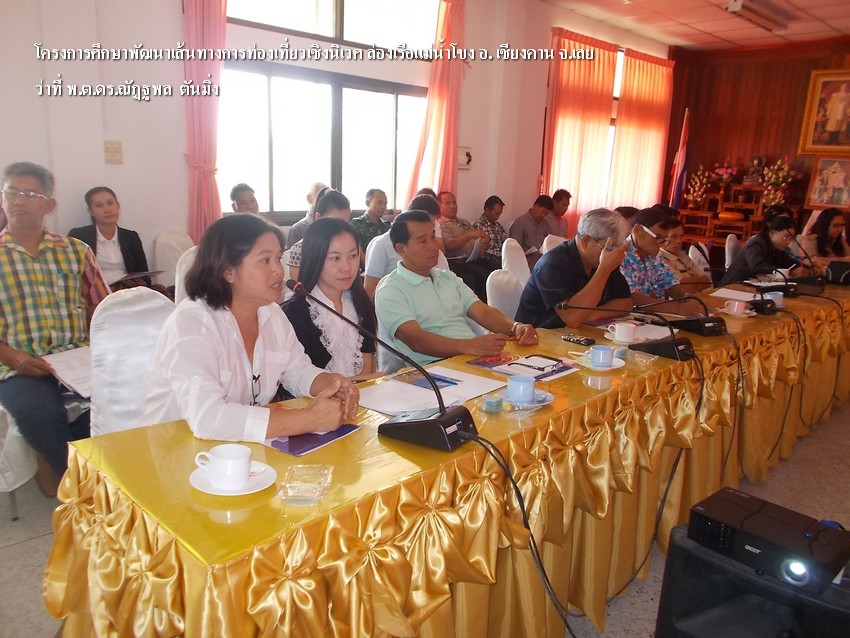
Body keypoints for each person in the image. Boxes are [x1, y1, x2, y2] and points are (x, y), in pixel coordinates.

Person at [143, 215, 358, 442]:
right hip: (176, 449)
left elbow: (299, 371)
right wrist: (309, 419)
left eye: (278, 258)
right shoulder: (192, 323)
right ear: (228, 271)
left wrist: (334, 384)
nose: (278, 270)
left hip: (238, 450)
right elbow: (208, 418)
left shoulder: (272, 314)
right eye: (265, 261)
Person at [0, 162, 111, 495]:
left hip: (76, 358)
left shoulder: (75, 251)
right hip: (19, 363)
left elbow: (102, 310)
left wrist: (102, 351)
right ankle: (84, 491)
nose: (19, 200)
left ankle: (70, 470)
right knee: (40, 414)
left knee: (114, 402)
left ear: (49, 204)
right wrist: (14, 357)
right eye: (12, 192)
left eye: (30, 194)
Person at [375, 210, 538, 370]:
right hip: (435, 370)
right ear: (401, 249)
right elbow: (416, 340)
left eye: (433, 237)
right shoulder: (391, 290)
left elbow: (483, 312)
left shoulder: (447, 278)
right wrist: (468, 346)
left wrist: (516, 327)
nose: (433, 246)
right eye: (423, 241)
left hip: (473, 360)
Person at [283, 218, 378, 380]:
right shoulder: (295, 312)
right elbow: (297, 381)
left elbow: (367, 369)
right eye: (335, 258)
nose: (346, 267)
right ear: (315, 258)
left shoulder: (360, 303)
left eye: (353, 256)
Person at [516, 208, 632, 329]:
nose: (612, 255)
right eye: (609, 249)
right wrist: (603, 270)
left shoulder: (600, 260)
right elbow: (571, 317)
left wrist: (590, 314)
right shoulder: (552, 264)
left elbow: (626, 303)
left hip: (578, 332)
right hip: (539, 334)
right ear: (585, 242)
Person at [68, 186, 154, 289]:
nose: (107, 210)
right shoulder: (79, 236)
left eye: (110, 203)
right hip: (96, 292)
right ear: (91, 211)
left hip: (128, 291)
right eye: (99, 205)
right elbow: (72, 275)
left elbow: (144, 275)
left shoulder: (131, 237)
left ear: (118, 206)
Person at [620, 208, 702, 314]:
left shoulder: (654, 254)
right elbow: (630, 296)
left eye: (664, 239)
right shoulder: (621, 254)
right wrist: (677, 308)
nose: (661, 244)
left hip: (650, 315)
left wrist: (688, 299)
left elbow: (669, 282)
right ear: (638, 230)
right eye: (657, 237)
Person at [363, 193, 442, 301]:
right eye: (422, 240)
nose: (431, 244)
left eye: (433, 225)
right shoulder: (381, 245)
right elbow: (370, 288)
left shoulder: (433, 249)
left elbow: (444, 283)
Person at [721, 216, 809, 284]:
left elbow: (790, 262)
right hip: (732, 287)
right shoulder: (755, 243)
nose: (788, 242)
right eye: (786, 236)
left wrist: (807, 267)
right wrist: (791, 272)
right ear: (773, 233)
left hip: (751, 287)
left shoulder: (776, 247)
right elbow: (758, 267)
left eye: (791, 238)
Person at [437, 190, 492, 300]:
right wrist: (470, 235)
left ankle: (493, 304)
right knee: (479, 276)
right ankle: (479, 306)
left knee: (496, 269)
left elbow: (478, 238)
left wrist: (485, 244)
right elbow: (450, 245)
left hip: (474, 258)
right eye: (448, 203)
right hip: (457, 262)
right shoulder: (440, 224)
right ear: (439, 206)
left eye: (454, 202)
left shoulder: (464, 222)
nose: (452, 206)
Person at [288, 188, 351, 281]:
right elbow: (299, 287)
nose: (340, 229)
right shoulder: (300, 250)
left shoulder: (349, 247)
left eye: (345, 224)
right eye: (333, 223)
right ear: (318, 217)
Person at [659, 218, 712, 291]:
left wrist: (690, 283)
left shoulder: (682, 254)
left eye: (681, 236)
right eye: (674, 236)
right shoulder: (660, 259)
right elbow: (684, 288)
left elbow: (707, 281)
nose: (679, 241)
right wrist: (697, 280)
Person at [509, 195, 553, 267]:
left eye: (546, 214)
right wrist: (532, 252)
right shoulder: (520, 223)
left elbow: (549, 241)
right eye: (542, 212)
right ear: (536, 206)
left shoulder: (545, 224)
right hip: (526, 263)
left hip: (543, 261)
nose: (543, 215)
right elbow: (514, 247)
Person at [350, 188, 391, 262]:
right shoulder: (357, 224)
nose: (383, 207)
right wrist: (370, 266)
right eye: (379, 203)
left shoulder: (387, 226)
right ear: (367, 203)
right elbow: (357, 250)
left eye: (385, 204)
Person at [287, 181, 328, 249]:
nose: (324, 202)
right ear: (309, 199)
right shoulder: (297, 229)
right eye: (320, 197)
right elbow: (292, 254)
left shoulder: (328, 225)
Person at [472, 195, 508, 272]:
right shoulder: (479, 225)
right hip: (488, 261)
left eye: (500, 214)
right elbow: (482, 251)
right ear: (487, 210)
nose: (498, 217)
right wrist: (502, 255)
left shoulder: (498, 226)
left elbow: (505, 242)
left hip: (501, 259)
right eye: (496, 213)